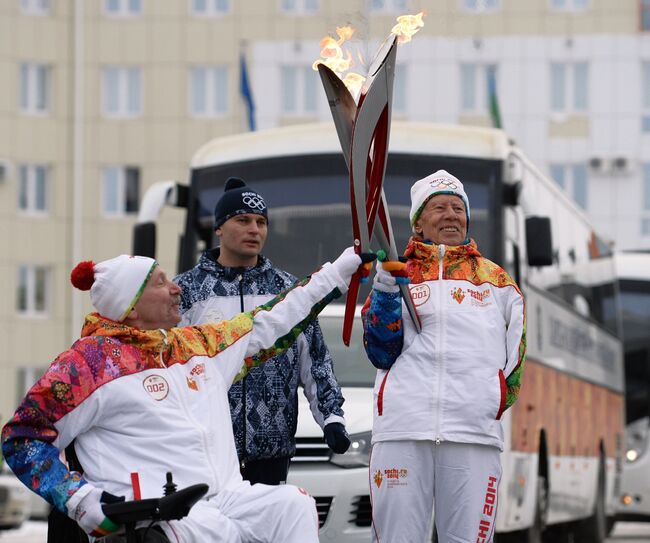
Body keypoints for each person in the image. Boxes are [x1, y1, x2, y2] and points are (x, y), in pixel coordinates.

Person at [1, 247, 370, 542]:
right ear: (130, 307)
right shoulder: (89, 363)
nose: (176, 287)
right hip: (154, 512)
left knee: (291, 506)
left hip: (226, 496)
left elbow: (271, 318)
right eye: (160, 283)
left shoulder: (196, 345)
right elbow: (23, 437)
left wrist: (337, 273)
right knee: (204, 530)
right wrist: (81, 501)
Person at [362, 170, 526, 543]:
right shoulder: (399, 273)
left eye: (458, 208)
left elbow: (516, 358)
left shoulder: (497, 283)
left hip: (473, 436)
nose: (451, 215)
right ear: (419, 222)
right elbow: (379, 351)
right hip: (404, 431)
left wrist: (489, 401)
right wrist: (387, 287)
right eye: (439, 208)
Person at [174, 177, 350, 486]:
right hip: (207, 447)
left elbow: (316, 361)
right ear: (219, 228)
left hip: (271, 452)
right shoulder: (188, 290)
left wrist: (332, 418)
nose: (254, 229)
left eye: (261, 222)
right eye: (242, 220)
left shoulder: (288, 289)